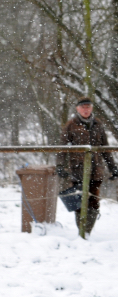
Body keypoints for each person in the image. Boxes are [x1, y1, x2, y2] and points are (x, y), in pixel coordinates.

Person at [56, 97, 118, 234]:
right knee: (79, 201)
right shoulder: (70, 125)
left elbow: (105, 148)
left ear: (91, 108)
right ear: (78, 109)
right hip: (77, 169)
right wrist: (60, 166)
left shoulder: (98, 124)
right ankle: (81, 231)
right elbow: (62, 148)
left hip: (96, 169)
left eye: (88, 107)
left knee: (94, 201)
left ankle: (88, 231)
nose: (86, 109)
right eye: (83, 107)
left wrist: (112, 167)